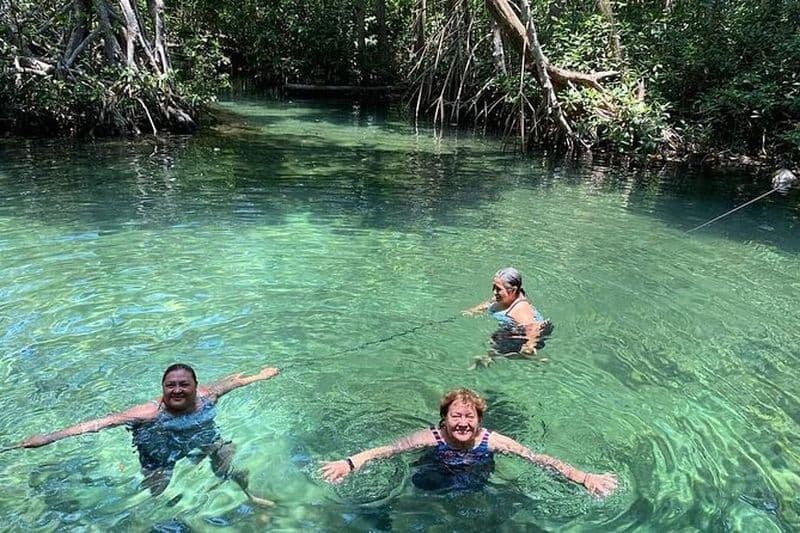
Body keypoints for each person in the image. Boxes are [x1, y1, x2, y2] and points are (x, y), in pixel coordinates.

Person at [12, 363, 279, 506]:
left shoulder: (208, 397)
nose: (177, 390)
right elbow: (98, 423)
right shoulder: (148, 412)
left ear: (196, 387)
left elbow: (231, 382)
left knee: (227, 461)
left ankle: (250, 496)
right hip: (158, 448)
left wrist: (261, 376)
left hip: (203, 439)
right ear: (162, 388)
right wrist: (48, 438)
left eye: (184, 385)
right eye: (170, 385)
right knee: (156, 491)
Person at [320, 388, 617, 497]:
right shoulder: (431, 437)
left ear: (479, 419)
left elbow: (538, 458)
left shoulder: (493, 440)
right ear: (444, 419)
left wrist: (584, 477)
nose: (463, 422)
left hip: (477, 479)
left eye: (469, 416)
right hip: (432, 476)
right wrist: (350, 463)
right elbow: (389, 450)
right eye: (456, 416)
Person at [464, 267, 553, 366]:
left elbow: (534, 327)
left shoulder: (520, 309)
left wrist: (529, 345)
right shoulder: (505, 296)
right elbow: (489, 302)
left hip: (527, 333)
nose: (494, 291)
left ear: (513, 290)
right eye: (494, 287)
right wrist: (473, 311)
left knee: (496, 340)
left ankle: (535, 359)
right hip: (519, 328)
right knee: (496, 338)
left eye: (498, 289)